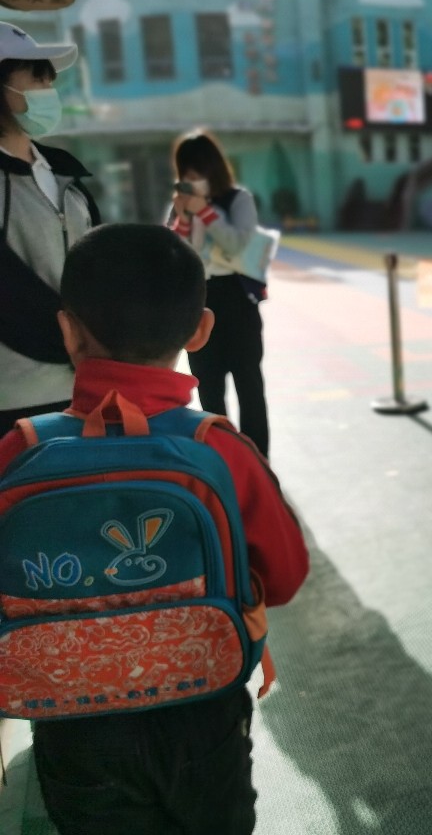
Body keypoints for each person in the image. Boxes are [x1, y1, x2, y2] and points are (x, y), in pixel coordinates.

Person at [0, 224, 309, 835]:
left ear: (67, 331)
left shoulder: (19, 451)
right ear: (200, 330)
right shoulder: (220, 451)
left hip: (71, 718)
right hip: (202, 708)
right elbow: (285, 577)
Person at [0, 22, 100, 428]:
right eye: (36, 79)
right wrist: (69, 342)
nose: (48, 91)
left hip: (82, 390)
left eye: (49, 80)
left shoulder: (64, 173)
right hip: (15, 397)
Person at [169, 130, 270, 457]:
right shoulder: (180, 205)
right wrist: (183, 217)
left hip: (236, 298)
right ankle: (222, 457)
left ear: (213, 169)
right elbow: (175, 253)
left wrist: (206, 211)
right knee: (208, 387)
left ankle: (257, 458)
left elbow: (238, 244)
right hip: (199, 300)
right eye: (186, 173)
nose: (192, 179)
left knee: (249, 386)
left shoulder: (238, 199)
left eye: (197, 171)